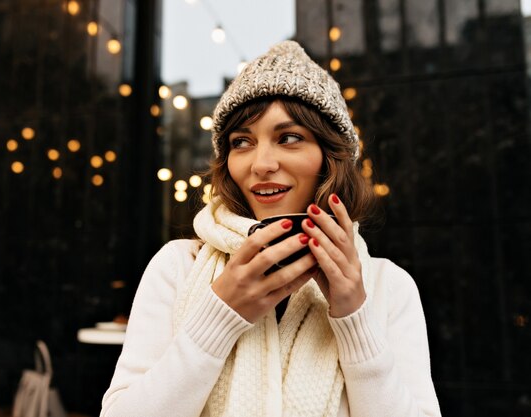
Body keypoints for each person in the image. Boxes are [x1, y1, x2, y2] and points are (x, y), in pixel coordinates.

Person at [100, 40, 441, 417]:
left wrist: (355, 318)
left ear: (330, 158)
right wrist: (220, 313)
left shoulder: (388, 287)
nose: (261, 163)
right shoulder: (178, 266)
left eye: (289, 137)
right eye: (241, 142)